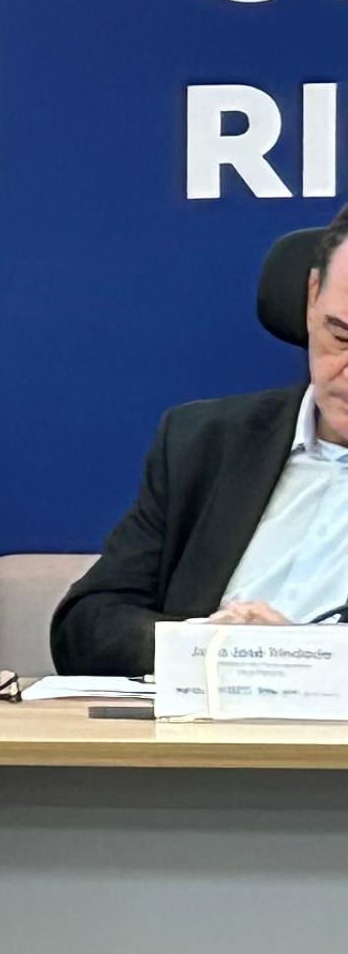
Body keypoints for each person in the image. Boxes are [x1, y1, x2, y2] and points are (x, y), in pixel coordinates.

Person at [53, 213, 348, 672]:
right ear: (311, 298)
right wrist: (202, 646)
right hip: (186, 735)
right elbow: (87, 625)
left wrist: (297, 660)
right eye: (341, 337)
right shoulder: (205, 444)